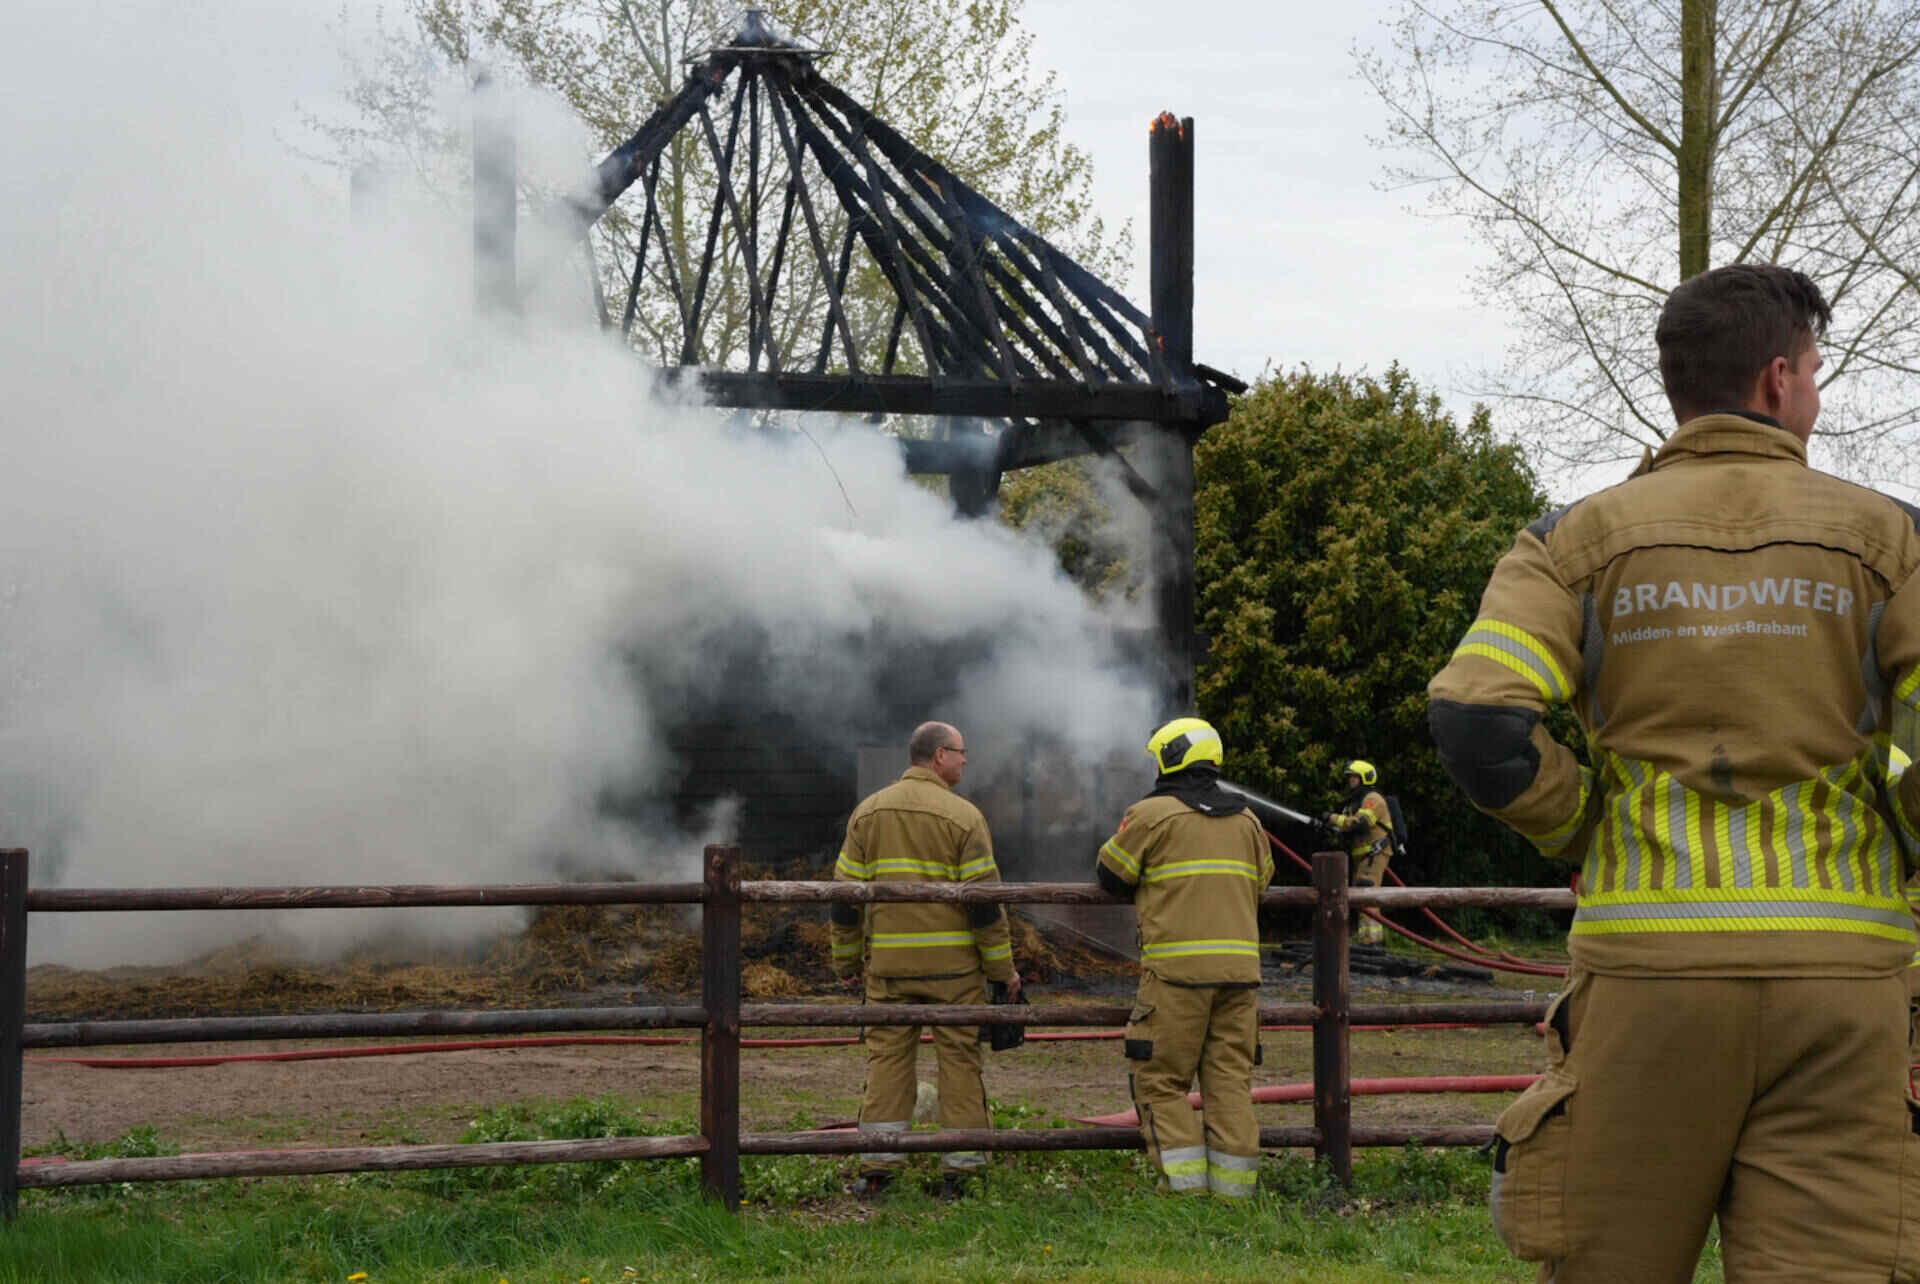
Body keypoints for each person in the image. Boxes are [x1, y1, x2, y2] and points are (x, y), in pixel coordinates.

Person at [1428, 263, 1920, 1282]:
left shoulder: (1573, 540)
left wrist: (1581, 829)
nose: (1817, 397)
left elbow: (1477, 719)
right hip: (1843, 984)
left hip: (1644, 975)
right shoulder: (1892, 538)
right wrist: (1902, 837)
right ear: (1779, 381)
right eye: (1818, 373)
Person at [828, 721, 1020, 1201]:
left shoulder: (867, 813)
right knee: (958, 1061)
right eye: (960, 752)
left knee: (888, 1063)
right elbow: (984, 905)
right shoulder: (964, 817)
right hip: (954, 973)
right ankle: (962, 1173)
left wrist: (846, 959)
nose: (965, 760)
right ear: (938, 757)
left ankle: (877, 1170)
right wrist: (1003, 971)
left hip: (889, 970)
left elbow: (844, 897)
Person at [1096, 716, 1274, 1198]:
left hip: (1176, 978)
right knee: (1229, 1084)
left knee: (1160, 1081)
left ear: (1170, 758)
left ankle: (1185, 1190)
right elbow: (1263, 882)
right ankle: (1235, 1196)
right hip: (1241, 978)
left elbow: (1111, 874)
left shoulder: (1151, 815)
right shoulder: (1249, 822)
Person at [1325, 759, 1395, 945]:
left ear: (1364, 778)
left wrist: (1332, 818)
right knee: (1361, 897)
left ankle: (1372, 944)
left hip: (1374, 854)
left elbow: (1362, 824)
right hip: (1364, 857)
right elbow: (1347, 826)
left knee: (1367, 896)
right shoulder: (1356, 802)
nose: (1351, 781)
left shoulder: (1372, 799)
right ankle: (1368, 940)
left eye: (1354, 777)